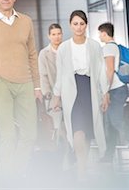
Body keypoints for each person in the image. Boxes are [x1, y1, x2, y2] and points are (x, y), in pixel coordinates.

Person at [51, 10, 109, 182]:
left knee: (88, 131)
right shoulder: (63, 48)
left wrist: (105, 93)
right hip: (71, 91)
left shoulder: (94, 46)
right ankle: (81, 168)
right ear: (70, 25)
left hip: (89, 89)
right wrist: (56, 95)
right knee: (77, 130)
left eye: (82, 24)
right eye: (75, 24)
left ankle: (82, 163)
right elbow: (60, 73)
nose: (78, 27)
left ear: (86, 25)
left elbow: (100, 71)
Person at [0, 0, 42, 185]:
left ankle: (15, 173)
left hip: (25, 83)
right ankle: (8, 181)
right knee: (8, 135)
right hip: (0, 82)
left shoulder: (26, 21)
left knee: (30, 134)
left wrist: (37, 86)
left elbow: (32, 54)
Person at [98, 22, 129, 162]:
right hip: (118, 88)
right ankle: (108, 155)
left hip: (115, 89)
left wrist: (106, 90)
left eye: (100, 33)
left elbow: (109, 70)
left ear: (104, 33)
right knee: (110, 123)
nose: (99, 36)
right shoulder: (115, 46)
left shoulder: (108, 48)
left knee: (116, 121)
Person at [38, 23, 66, 148]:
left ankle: (70, 152)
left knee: (70, 125)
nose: (57, 37)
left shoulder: (67, 51)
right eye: (54, 34)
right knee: (56, 126)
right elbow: (43, 76)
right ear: (49, 36)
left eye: (59, 34)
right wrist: (48, 94)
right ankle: (58, 153)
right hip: (52, 96)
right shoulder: (44, 54)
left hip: (69, 93)